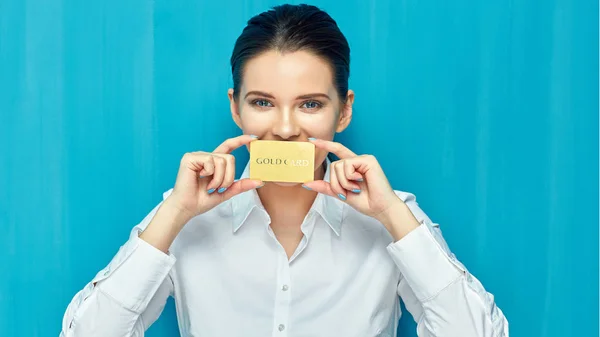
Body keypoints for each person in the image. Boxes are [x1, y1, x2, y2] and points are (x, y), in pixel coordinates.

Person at [60, 4, 508, 337]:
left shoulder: (393, 218)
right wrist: (174, 214)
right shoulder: (184, 218)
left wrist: (394, 218)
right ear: (235, 108)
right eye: (262, 103)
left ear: (344, 111)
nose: (287, 128)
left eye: (310, 104)